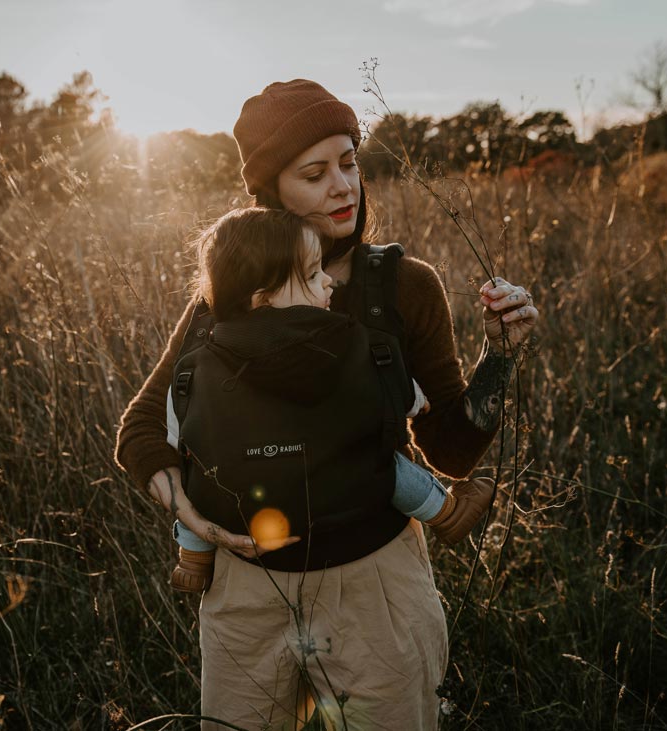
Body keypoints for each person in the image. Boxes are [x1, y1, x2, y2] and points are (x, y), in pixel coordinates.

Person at [114, 79, 541, 729]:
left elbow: (450, 449)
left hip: (375, 588)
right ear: (270, 193)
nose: (343, 186)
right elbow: (143, 429)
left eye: (349, 162)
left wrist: (500, 355)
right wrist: (197, 524)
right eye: (314, 173)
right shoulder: (232, 293)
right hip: (247, 592)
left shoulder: (404, 284)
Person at [164, 206, 495, 594]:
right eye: (311, 275)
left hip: (244, 506)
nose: (328, 283)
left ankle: (193, 557)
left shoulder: (203, 357)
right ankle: (446, 513)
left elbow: (179, 430)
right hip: (343, 492)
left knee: (198, 479)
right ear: (263, 299)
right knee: (383, 463)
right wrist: (416, 400)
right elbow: (386, 387)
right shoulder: (340, 340)